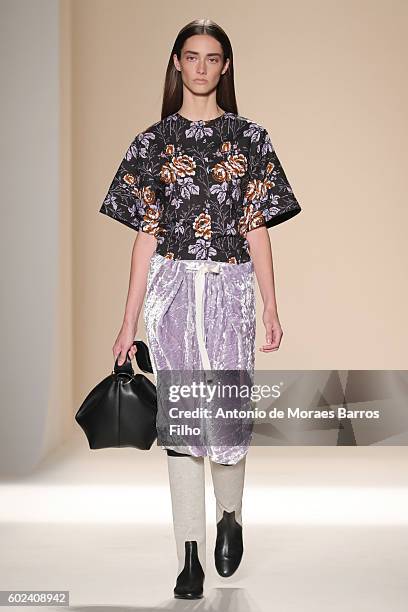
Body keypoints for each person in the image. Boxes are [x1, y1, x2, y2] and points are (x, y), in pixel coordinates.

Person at [99, 18, 302, 600]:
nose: (202, 67)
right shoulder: (152, 143)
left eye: (213, 58)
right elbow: (145, 236)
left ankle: (230, 517)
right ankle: (188, 553)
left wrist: (271, 305)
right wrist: (126, 322)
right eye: (192, 56)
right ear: (177, 63)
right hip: (172, 293)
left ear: (225, 67)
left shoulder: (251, 139)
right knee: (184, 424)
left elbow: (257, 227)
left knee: (228, 415)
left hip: (232, 291)